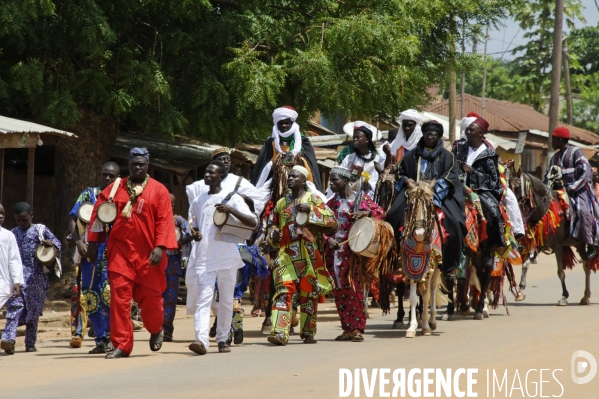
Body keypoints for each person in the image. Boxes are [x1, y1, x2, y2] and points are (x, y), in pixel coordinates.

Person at [87, 148, 178, 359]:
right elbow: (98, 213)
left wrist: (160, 247)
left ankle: (155, 328)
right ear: (129, 164)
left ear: (148, 165)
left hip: (149, 254)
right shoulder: (115, 188)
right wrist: (93, 241)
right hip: (121, 251)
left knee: (151, 299)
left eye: (142, 164)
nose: (138, 167)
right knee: (119, 298)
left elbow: (165, 220)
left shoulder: (159, 190)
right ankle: (122, 345)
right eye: (134, 163)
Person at [186, 160, 258, 355]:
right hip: (204, 257)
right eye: (206, 173)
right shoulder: (198, 200)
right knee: (204, 299)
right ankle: (201, 340)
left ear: (221, 176)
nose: (207, 175)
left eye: (211, 173)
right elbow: (191, 225)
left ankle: (222, 338)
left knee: (226, 300)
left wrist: (231, 210)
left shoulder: (232, 198)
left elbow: (253, 221)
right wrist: (194, 233)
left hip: (227, 256)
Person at [267, 165, 337, 346]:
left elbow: (332, 223)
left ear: (304, 181)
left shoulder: (314, 199)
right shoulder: (282, 202)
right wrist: (274, 233)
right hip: (286, 254)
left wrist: (312, 211)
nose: (289, 179)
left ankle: (308, 332)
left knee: (308, 294)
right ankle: (280, 332)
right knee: (283, 291)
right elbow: (272, 224)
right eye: (289, 176)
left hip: (309, 255)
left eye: (294, 176)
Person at [325, 166, 385, 342]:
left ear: (345, 181)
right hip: (334, 253)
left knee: (355, 290)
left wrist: (368, 213)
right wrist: (327, 239)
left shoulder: (361, 199)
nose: (331, 184)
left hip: (354, 253)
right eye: (330, 180)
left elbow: (381, 213)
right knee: (339, 291)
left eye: (334, 180)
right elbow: (321, 225)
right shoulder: (331, 204)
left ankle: (357, 328)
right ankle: (346, 328)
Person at [68, 162, 120, 353]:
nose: (107, 178)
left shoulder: (122, 195)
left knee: (110, 295)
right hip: (90, 253)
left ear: (118, 178)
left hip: (114, 253)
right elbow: (73, 218)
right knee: (90, 297)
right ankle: (101, 339)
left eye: (112, 176)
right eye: (104, 174)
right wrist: (79, 242)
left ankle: (114, 338)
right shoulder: (88, 194)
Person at [1, 202, 61, 354]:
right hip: (18, 278)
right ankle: (9, 339)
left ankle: (30, 343)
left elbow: (58, 245)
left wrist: (50, 244)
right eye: (18, 220)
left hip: (37, 278)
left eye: (24, 220)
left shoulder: (40, 230)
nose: (21, 223)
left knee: (34, 311)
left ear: (31, 216)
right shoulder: (12, 233)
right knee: (15, 307)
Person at [544, 127, 599, 258]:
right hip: (557, 190)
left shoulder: (576, 152)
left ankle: (591, 243)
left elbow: (586, 171)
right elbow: (548, 174)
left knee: (582, 211)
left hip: (578, 190)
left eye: (553, 140)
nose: (551, 143)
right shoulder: (554, 157)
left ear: (560, 140)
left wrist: (570, 183)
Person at [453, 117, 506, 250]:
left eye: (472, 129)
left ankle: (492, 247)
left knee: (493, 211)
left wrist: (473, 173)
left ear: (481, 134)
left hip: (480, 192)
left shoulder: (489, 154)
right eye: (467, 129)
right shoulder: (459, 148)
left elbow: (493, 181)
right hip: (457, 188)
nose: (468, 131)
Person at [251, 106, 322, 191]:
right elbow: (262, 165)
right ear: (277, 124)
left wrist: (296, 159)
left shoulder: (303, 141)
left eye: (286, 123)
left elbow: (310, 165)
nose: (284, 125)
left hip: (298, 179)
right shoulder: (271, 142)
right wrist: (276, 161)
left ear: (291, 123)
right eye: (281, 123)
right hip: (275, 180)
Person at [186, 148, 264, 215]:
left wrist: (241, 199)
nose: (226, 161)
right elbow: (194, 209)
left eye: (228, 159)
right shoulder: (199, 186)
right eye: (222, 159)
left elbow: (258, 202)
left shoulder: (240, 182)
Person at [163, 193, 193, 342]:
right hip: (156, 262)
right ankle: (156, 328)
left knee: (171, 297)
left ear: (173, 205)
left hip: (173, 262)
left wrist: (179, 244)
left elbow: (191, 234)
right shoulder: (155, 219)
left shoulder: (178, 220)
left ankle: (167, 329)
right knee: (156, 297)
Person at [337, 124, 385, 198]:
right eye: (354, 137)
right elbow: (340, 175)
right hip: (351, 196)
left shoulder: (377, 159)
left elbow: (381, 179)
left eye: (358, 137)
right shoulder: (349, 158)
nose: (355, 139)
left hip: (370, 197)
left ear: (367, 140)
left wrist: (370, 186)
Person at [0, 203, 24, 310]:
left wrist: (16, 281)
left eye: (2, 213)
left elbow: (14, 260)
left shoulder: (8, 236)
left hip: (2, 283)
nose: (1, 216)